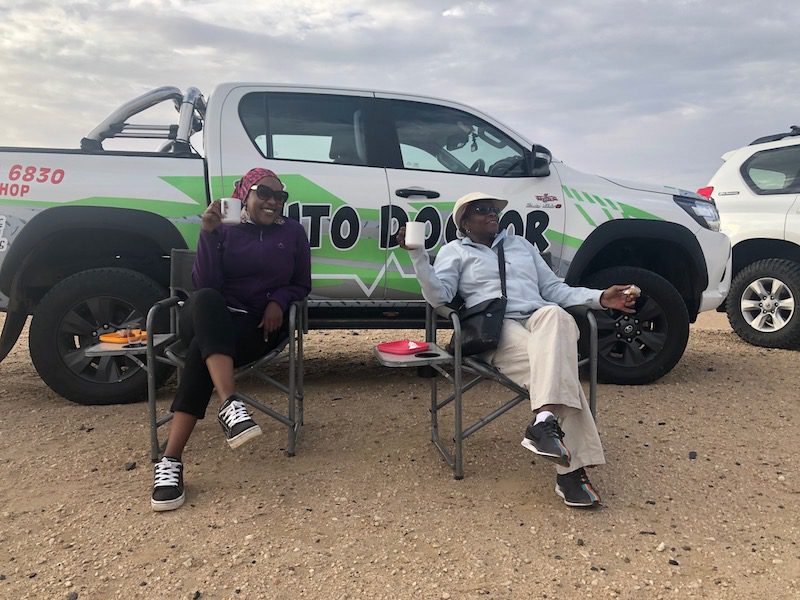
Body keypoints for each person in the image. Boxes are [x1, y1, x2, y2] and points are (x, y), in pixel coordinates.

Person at [398, 192, 636, 508]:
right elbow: (439, 297)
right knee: (559, 371)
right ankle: (569, 473)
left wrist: (601, 298)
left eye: (494, 209)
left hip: (538, 319)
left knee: (556, 314)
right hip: (496, 329)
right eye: (481, 210)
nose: (492, 214)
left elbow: (555, 290)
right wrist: (418, 256)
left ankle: (544, 422)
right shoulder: (454, 252)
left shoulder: (521, 246)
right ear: (465, 222)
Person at [151, 167, 312, 512]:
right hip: (209, 315)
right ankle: (229, 402)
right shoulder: (224, 230)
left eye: (279, 196)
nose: (272, 201)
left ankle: (171, 461)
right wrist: (208, 234)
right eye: (263, 193)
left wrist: (278, 301)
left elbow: (301, 284)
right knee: (208, 300)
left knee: (200, 353)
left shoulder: (294, 234)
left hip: (255, 329)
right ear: (244, 194)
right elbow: (205, 283)